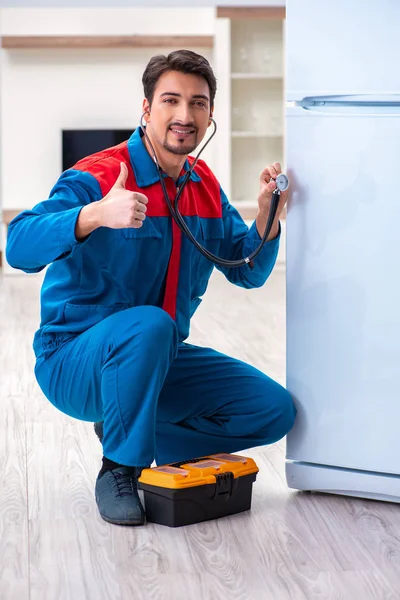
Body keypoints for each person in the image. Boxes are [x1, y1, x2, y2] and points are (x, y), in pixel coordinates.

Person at [6, 50, 296, 527]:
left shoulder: (203, 186)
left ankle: (128, 429)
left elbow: (246, 270)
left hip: (160, 358)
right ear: (147, 110)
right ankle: (119, 468)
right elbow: (17, 244)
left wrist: (267, 214)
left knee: (273, 410)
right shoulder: (100, 174)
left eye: (198, 103)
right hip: (74, 360)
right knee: (149, 324)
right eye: (171, 100)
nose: (185, 116)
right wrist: (95, 214)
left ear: (210, 115)